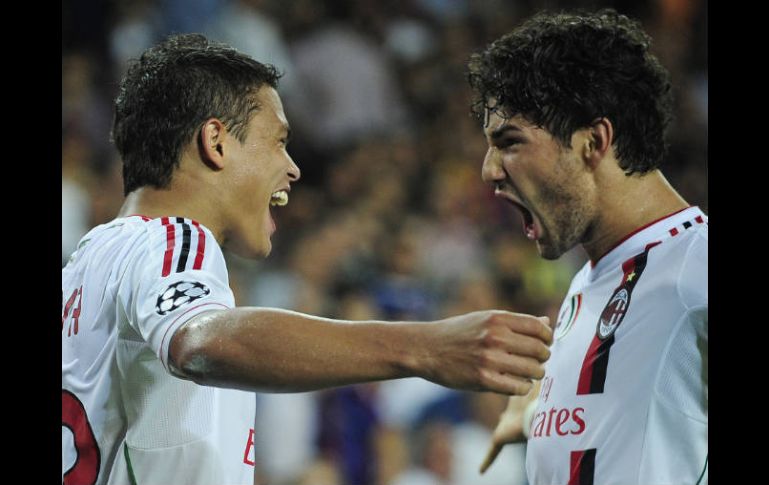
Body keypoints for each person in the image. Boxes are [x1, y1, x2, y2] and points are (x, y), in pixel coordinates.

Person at [61, 34, 554, 485]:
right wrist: (424, 347)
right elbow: (199, 341)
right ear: (215, 142)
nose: (293, 168)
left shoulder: (85, 264)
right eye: (277, 141)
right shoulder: (173, 238)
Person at [467, 9, 707, 485]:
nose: (489, 170)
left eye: (510, 141)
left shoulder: (695, 262)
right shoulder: (593, 280)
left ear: (594, 141)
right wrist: (537, 415)